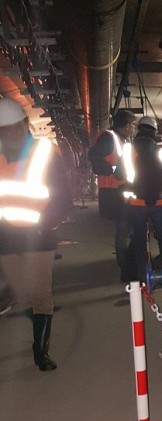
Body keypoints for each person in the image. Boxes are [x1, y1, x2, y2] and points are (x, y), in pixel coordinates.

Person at [0, 97, 72, 371]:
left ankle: (40, 351)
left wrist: (49, 223)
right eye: (5, 128)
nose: (12, 132)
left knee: (41, 293)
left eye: (16, 126)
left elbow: (63, 193)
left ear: (25, 124)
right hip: (6, 237)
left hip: (38, 236)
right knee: (22, 293)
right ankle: (41, 324)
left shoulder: (44, 152)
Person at [117, 116, 162, 282]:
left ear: (139, 129)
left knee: (139, 241)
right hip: (159, 201)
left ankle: (143, 278)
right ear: (154, 131)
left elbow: (119, 174)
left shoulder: (128, 149)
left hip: (137, 202)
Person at [88, 109, 136, 281]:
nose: (132, 128)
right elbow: (93, 156)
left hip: (122, 191)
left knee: (126, 229)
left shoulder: (122, 140)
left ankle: (128, 267)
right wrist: (113, 170)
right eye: (131, 125)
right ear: (124, 125)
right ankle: (126, 270)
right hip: (113, 192)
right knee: (123, 231)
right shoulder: (109, 138)